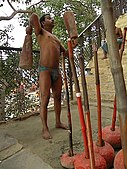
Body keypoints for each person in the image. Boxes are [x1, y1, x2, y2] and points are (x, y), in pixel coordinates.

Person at [26, 13, 77, 139]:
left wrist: (73, 46)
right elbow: (33, 17)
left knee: (58, 97)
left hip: (56, 71)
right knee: (45, 97)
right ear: (43, 23)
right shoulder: (41, 32)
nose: (52, 19)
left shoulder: (55, 38)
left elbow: (64, 54)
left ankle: (58, 122)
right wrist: (30, 26)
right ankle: (45, 128)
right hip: (45, 70)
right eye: (49, 18)